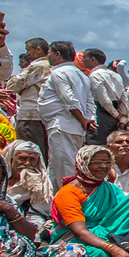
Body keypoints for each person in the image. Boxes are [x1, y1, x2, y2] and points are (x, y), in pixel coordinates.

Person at [49, 146, 129, 257]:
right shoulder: (68, 193)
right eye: (97, 162)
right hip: (81, 238)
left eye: (107, 162)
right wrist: (112, 248)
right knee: (96, 255)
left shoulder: (108, 188)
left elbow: (120, 216)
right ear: (84, 164)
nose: (103, 166)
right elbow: (80, 232)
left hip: (108, 232)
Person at [36, 41, 96, 190]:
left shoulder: (59, 73)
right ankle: (53, 203)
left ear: (57, 54)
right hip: (72, 127)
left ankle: (69, 202)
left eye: (49, 52)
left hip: (62, 125)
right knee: (56, 166)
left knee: (65, 168)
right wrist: (89, 120)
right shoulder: (82, 75)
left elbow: (69, 100)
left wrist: (83, 121)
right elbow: (89, 102)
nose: (47, 56)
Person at [5, 37, 50, 158]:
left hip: (30, 116)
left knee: (28, 151)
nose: (27, 53)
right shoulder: (50, 66)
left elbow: (13, 85)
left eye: (28, 49)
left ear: (38, 50)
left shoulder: (39, 66)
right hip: (41, 115)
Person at [81, 48, 128, 145]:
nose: (82, 60)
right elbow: (123, 98)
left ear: (93, 59)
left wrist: (117, 115)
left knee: (97, 144)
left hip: (101, 113)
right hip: (115, 110)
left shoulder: (95, 75)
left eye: (84, 57)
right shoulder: (116, 75)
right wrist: (122, 117)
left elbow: (104, 100)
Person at [2, 140, 52, 226]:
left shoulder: (39, 186)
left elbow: (38, 217)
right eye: (22, 158)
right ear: (11, 157)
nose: (27, 163)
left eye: (32, 159)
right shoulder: (2, 177)